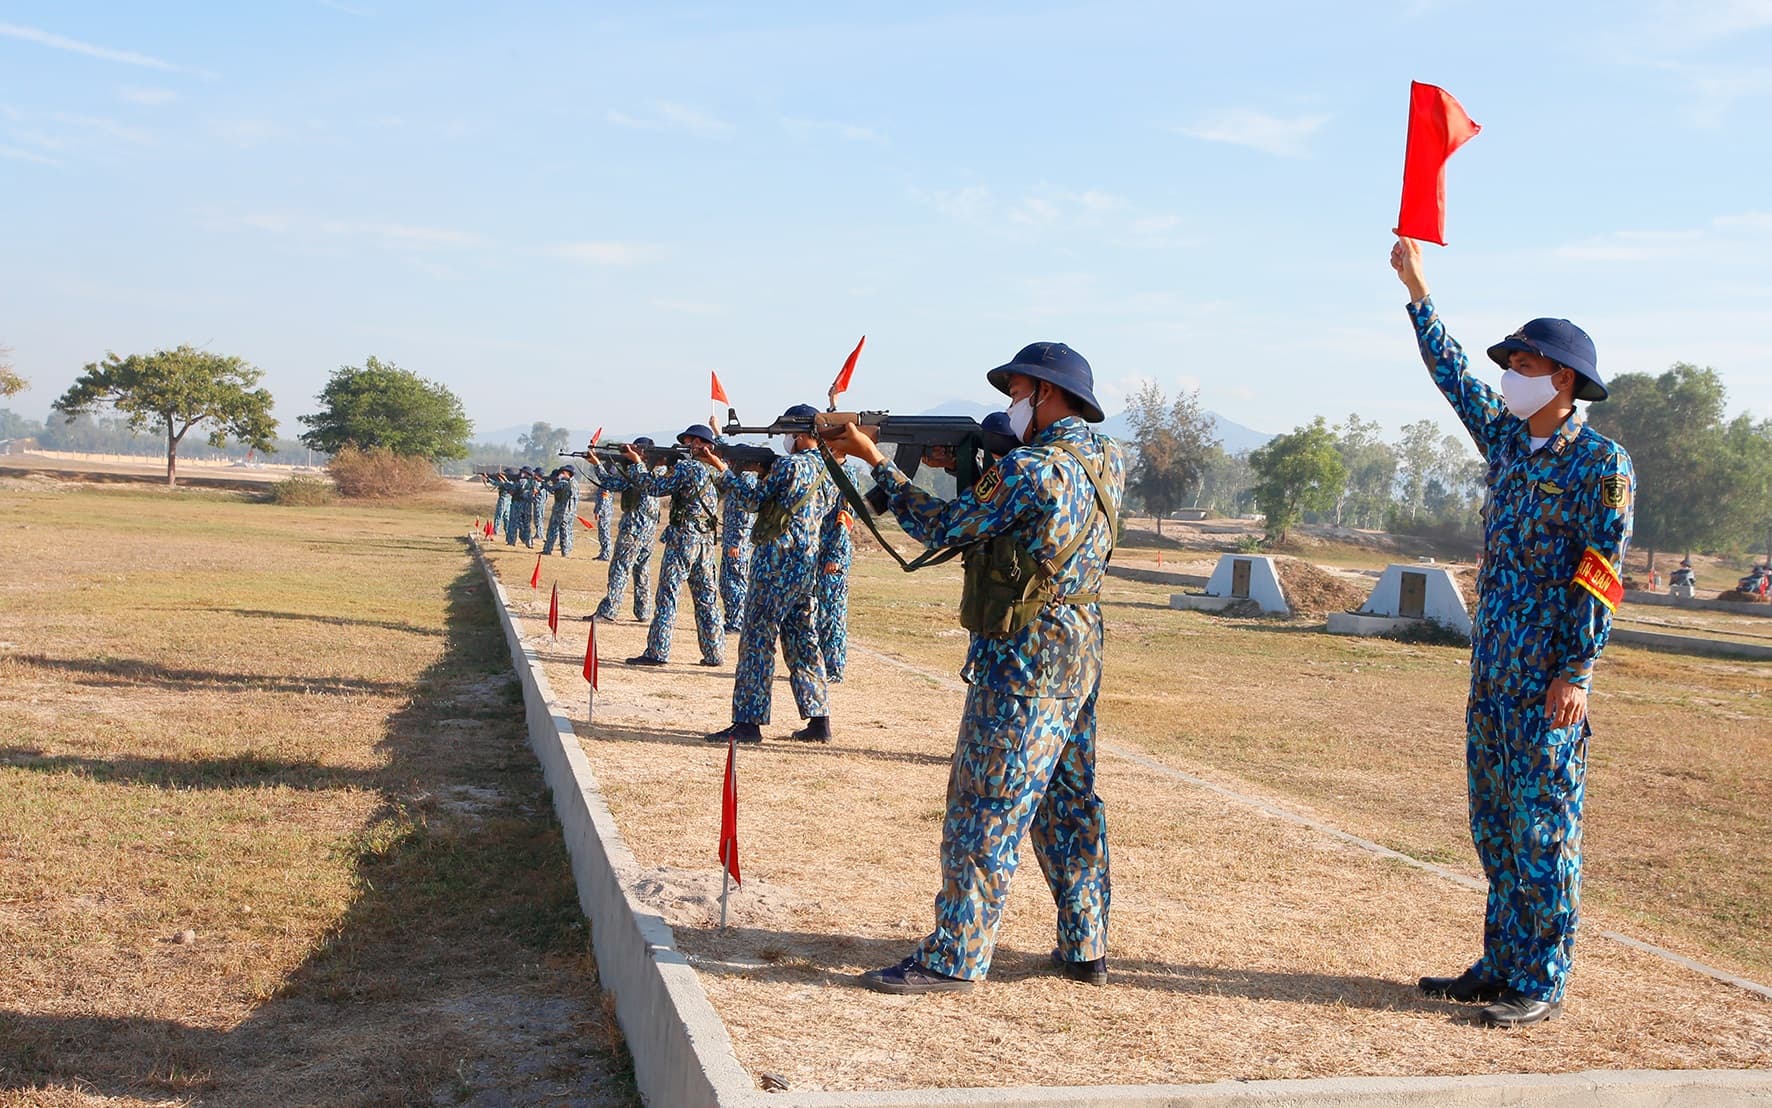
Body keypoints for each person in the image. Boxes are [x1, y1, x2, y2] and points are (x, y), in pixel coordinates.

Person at [831, 341, 1125, 997]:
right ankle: (1086, 945)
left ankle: (955, 957)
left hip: (1023, 657)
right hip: (1078, 648)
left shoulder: (1029, 469)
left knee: (985, 803)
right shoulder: (1105, 458)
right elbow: (1026, 524)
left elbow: (944, 527)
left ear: (1047, 394)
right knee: (1067, 802)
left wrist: (877, 463)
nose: (1011, 404)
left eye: (1017, 393)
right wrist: (970, 464)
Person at [1392, 236, 1635, 1028]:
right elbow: (1453, 376)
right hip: (1493, 672)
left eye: (1524, 365)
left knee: (1545, 830)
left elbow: (1599, 574)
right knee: (1495, 823)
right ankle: (1500, 963)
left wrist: (1577, 669)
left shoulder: (1601, 465)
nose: (1509, 376)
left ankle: (1543, 977)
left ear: (1561, 378)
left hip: (1548, 681)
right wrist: (1419, 294)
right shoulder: (1505, 439)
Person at [702, 405, 838, 744]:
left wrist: (723, 470)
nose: (786, 440)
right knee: (803, 642)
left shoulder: (791, 466)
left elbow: (752, 500)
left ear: (801, 435)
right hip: (804, 566)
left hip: (775, 564)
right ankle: (818, 721)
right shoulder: (829, 469)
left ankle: (748, 723)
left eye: (789, 434)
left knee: (757, 641)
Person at [624, 426, 725, 668]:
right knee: (706, 598)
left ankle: (658, 651)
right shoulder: (718, 469)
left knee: (668, 594)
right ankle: (715, 653)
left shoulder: (688, 467)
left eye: (689, 442)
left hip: (683, 538)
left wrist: (637, 464)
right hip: (705, 540)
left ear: (700, 444)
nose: (685, 446)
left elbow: (655, 488)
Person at [592, 440, 664, 623]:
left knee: (620, 567)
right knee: (641, 570)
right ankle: (643, 610)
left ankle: (609, 611)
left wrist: (598, 465)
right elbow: (613, 482)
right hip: (648, 530)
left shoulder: (643, 472)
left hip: (634, 527)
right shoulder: (657, 471)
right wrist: (598, 463)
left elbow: (612, 483)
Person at [718, 448, 761, 636]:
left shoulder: (745, 479)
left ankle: (737, 622)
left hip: (737, 541)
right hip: (731, 538)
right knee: (727, 582)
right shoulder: (737, 478)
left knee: (735, 581)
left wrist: (737, 542)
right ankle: (733, 619)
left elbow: (745, 515)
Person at [815, 503, 853, 682]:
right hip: (818, 554)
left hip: (832, 561)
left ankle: (834, 668)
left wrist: (836, 556)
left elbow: (844, 521)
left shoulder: (844, 486)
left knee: (833, 613)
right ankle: (820, 665)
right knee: (819, 614)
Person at [540, 465, 581, 557]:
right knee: (564, 532)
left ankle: (547, 550)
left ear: (568, 474)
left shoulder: (563, 483)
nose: (560, 474)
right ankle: (565, 552)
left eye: (563, 473)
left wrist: (543, 483)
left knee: (553, 530)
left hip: (560, 511)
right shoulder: (575, 483)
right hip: (569, 512)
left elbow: (551, 489)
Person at [505, 467, 536, 547]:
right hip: (528, 506)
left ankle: (511, 541)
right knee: (526, 524)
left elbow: (512, 491)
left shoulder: (520, 481)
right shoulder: (533, 482)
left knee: (513, 523)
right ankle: (528, 542)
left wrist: (506, 485)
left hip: (518, 504)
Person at [589, 480, 615, 560]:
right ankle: (603, 553)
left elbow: (604, 501)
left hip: (604, 513)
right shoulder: (606, 485)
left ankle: (606, 554)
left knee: (604, 533)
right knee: (603, 533)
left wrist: (598, 512)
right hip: (606, 512)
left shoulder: (605, 487)